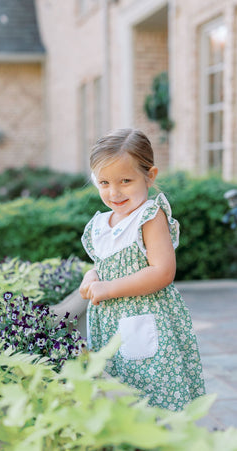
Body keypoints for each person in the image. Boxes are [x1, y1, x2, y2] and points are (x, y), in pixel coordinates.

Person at [79, 128, 205, 411]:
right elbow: (106, 264)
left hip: (146, 321)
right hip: (110, 326)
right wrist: (93, 275)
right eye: (104, 183)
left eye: (126, 180)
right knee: (118, 396)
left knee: (152, 397)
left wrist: (108, 288)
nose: (115, 192)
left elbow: (162, 271)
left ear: (150, 175)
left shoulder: (149, 216)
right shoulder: (101, 224)